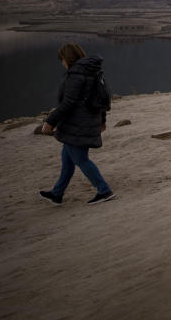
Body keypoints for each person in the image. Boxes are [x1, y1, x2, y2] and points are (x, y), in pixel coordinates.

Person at [38, 43, 114, 206]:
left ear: (67, 58)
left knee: (80, 159)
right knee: (67, 158)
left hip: (78, 123)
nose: (62, 63)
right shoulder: (92, 72)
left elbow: (68, 103)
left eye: (62, 60)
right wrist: (102, 120)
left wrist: (50, 121)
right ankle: (57, 194)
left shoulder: (76, 75)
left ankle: (104, 190)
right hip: (87, 121)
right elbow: (100, 98)